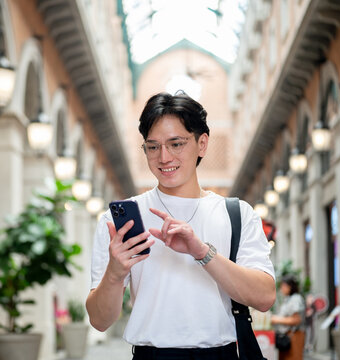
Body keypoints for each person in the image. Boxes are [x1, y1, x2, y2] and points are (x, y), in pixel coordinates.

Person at [86, 91, 276, 360]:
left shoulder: (237, 214)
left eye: (176, 144)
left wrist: (202, 252)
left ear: (202, 144)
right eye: (152, 147)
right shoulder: (120, 220)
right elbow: (99, 320)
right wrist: (115, 273)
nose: (164, 157)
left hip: (220, 355)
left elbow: (265, 297)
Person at [270, 275, 306, 360]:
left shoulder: (296, 298)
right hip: (287, 336)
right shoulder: (288, 299)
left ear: (290, 286)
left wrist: (276, 319)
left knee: (293, 357)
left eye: (283, 285)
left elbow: (296, 319)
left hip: (294, 335)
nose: (281, 288)